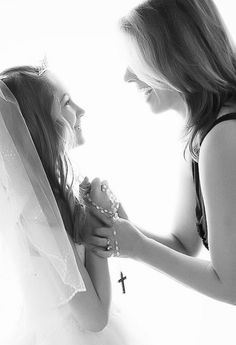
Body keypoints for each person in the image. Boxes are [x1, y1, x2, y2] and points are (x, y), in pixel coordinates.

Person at [86, 0, 236, 306]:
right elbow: (183, 245)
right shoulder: (199, 137)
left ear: (175, 57)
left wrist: (138, 247)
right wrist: (124, 228)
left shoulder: (223, 137)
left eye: (136, 59)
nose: (127, 76)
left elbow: (232, 285)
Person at [0, 66, 146, 345]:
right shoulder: (37, 212)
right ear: (39, 123)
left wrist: (102, 211)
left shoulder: (57, 192)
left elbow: (126, 240)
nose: (81, 110)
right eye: (66, 103)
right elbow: (94, 319)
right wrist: (97, 218)